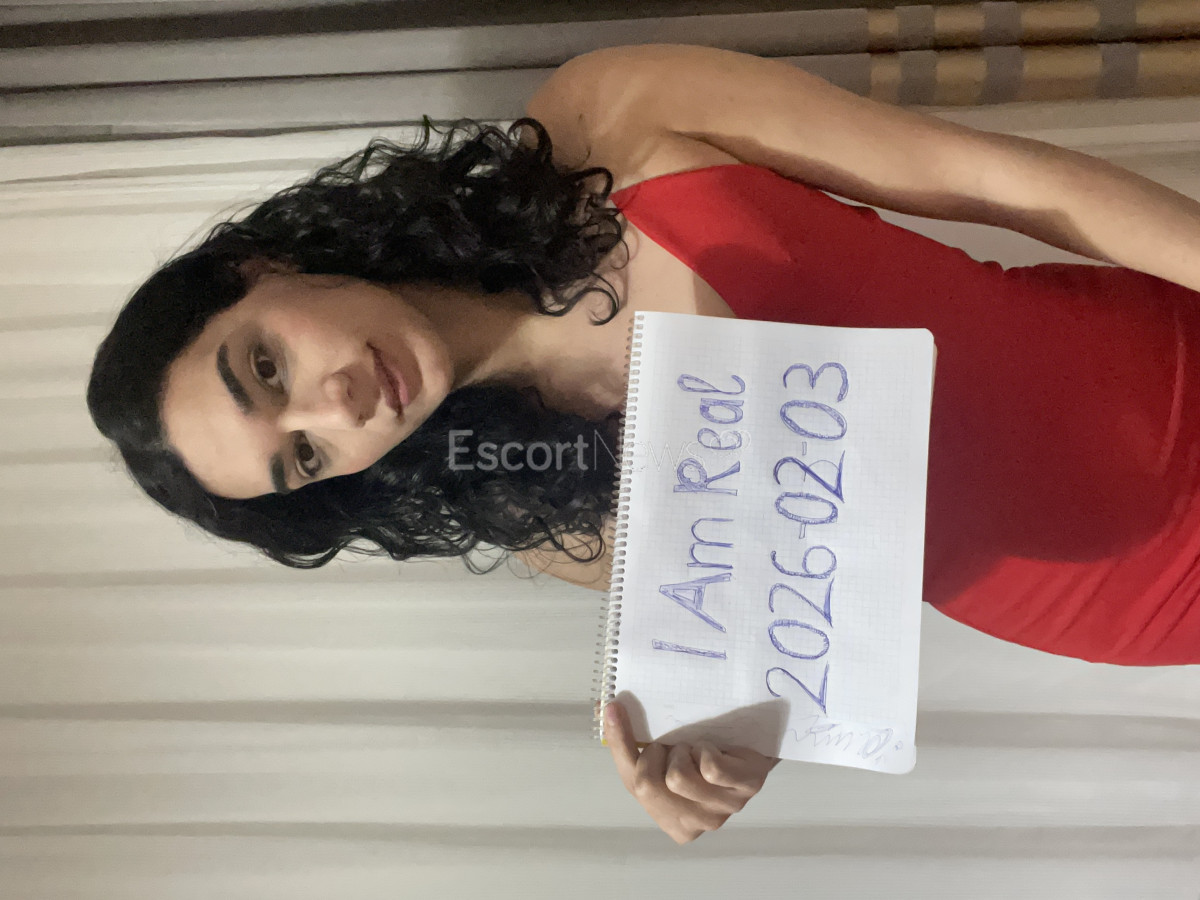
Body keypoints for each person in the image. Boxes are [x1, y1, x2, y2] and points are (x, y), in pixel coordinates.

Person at [87, 44, 1200, 844]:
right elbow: (804, 629)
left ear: (260, 270)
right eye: (305, 458)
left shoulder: (602, 123)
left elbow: (1004, 183)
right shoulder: (542, 514)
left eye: (266, 366)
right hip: (1129, 590)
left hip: (1163, 360)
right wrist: (726, 752)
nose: (337, 407)